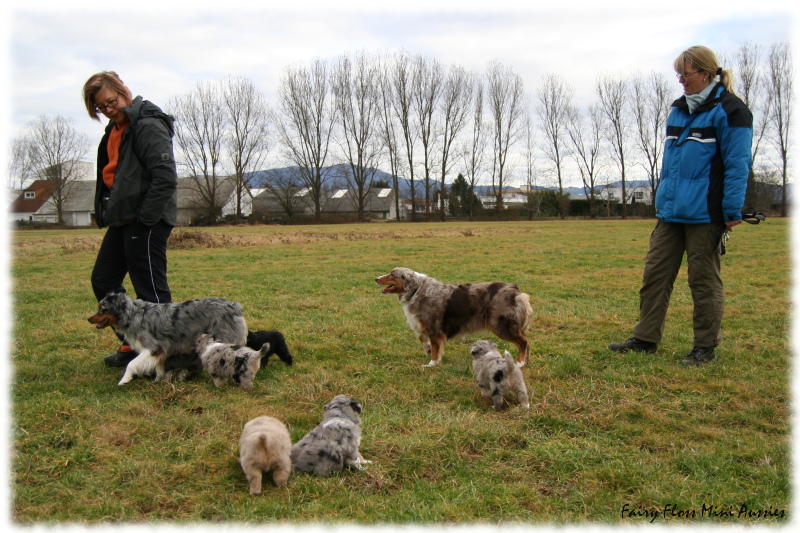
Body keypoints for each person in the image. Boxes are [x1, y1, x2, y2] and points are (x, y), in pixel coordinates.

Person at [608, 45, 753, 366]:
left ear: (705, 73)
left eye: (685, 75)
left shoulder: (731, 111)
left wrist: (732, 211)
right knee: (654, 276)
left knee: (703, 283)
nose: (682, 81)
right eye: (679, 75)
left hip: (706, 214)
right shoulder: (678, 110)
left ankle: (704, 347)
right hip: (670, 214)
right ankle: (645, 338)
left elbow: (737, 165)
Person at [82, 71, 178, 367]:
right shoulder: (114, 131)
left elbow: (165, 177)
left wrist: (146, 219)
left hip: (145, 220)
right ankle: (133, 345)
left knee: (150, 289)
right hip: (121, 218)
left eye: (112, 101)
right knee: (104, 279)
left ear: (124, 91)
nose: (110, 110)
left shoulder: (147, 124)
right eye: (102, 108)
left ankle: (167, 357)